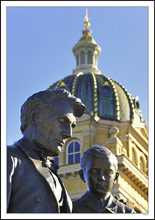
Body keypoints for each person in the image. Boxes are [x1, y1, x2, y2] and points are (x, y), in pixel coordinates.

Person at [7, 88, 86, 213]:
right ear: (34, 116)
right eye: (62, 121)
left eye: (72, 126)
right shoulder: (8, 159)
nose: (69, 134)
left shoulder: (53, 173)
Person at [73, 145, 136, 213]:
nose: (102, 178)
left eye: (108, 173)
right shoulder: (71, 210)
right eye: (94, 172)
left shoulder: (127, 213)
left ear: (115, 177)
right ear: (82, 175)